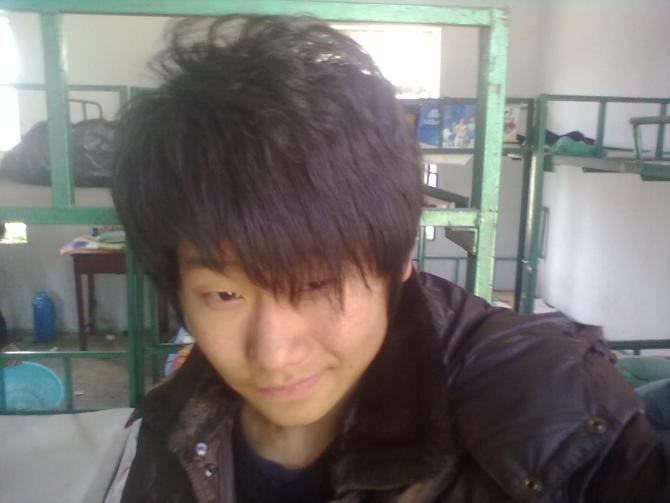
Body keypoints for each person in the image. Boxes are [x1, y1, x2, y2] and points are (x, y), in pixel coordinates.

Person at [111, 15, 670, 502]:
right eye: (225, 294)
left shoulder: (551, 408)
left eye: (318, 284)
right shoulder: (178, 421)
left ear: (399, 258)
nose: (274, 354)